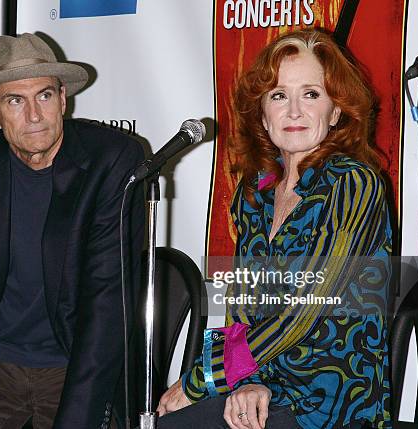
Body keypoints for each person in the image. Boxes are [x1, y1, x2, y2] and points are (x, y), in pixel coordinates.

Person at [157, 29, 392, 429]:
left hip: (331, 399)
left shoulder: (354, 183)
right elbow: (240, 306)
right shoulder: (255, 193)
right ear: (263, 115)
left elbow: (305, 311)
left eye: (312, 94)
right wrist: (244, 383)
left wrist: (202, 381)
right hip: (269, 385)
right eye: (279, 95)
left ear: (335, 112)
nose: (295, 111)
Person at [0, 33, 144, 429]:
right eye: (15, 101)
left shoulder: (111, 160)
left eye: (43, 96)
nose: (34, 115)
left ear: (63, 99)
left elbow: (108, 305)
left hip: (75, 362)